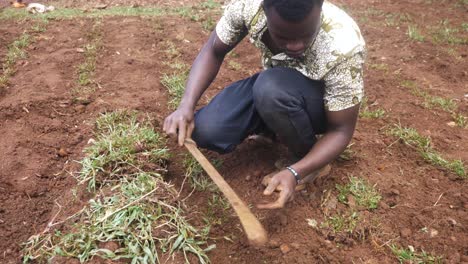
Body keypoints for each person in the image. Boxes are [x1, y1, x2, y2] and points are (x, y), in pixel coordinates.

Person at [163, 0, 366, 209]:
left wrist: (295, 173)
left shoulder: (343, 44)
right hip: (276, 88)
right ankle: (274, 126)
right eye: (284, 37)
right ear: (263, 12)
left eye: (306, 35)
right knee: (207, 129)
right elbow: (214, 50)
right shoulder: (248, 7)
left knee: (271, 89)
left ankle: (309, 159)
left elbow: (341, 130)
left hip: (318, 106)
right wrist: (185, 106)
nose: (295, 46)